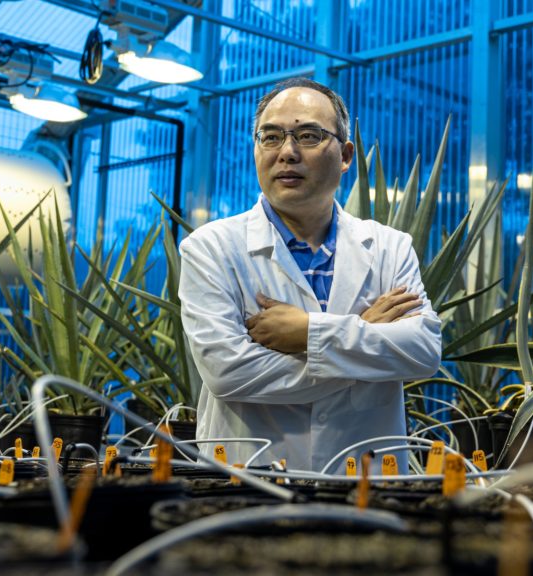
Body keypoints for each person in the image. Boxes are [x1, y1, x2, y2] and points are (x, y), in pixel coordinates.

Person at [178, 78, 442, 473]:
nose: (287, 152)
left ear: (346, 155)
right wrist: (362, 333)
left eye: (308, 135)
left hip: (366, 484)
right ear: (256, 149)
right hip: (250, 482)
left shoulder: (390, 247)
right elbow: (228, 373)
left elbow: (422, 351)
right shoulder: (210, 248)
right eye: (270, 137)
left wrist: (307, 333)